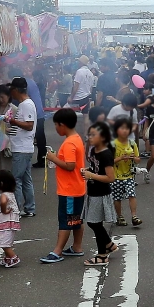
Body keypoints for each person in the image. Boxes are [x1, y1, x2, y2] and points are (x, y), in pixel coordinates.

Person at [40, 108, 87, 264]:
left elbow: (69, 165)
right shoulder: (77, 138)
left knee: (66, 220)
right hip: (77, 187)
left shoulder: (69, 143)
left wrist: (53, 158)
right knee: (76, 219)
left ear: (62, 124)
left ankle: (57, 251)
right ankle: (77, 246)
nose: (55, 128)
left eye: (56, 125)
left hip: (69, 189)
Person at [82, 122, 120, 267]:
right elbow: (95, 167)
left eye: (93, 135)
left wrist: (91, 175)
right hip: (93, 191)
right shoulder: (94, 151)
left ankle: (103, 255)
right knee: (94, 222)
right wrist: (88, 170)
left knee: (94, 222)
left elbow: (111, 178)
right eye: (89, 134)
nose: (90, 137)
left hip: (101, 193)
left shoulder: (106, 154)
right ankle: (109, 245)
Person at [9, 76, 37, 217]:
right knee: (26, 179)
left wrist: (13, 121)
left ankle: (17, 209)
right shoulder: (25, 104)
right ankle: (29, 208)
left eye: (11, 89)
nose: (10, 93)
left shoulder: (26, 104)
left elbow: (29, 125)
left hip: (22, 148)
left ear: (16, 90)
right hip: (23, 146)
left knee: (16, 179)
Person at [112, 118, 141, 227]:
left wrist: (134, 158)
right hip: (116, 176)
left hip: (129, 175)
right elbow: (109, 161)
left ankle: (134, 216)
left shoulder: (132, 143)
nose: (125, 131)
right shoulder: (113, 144)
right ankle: (120, 217)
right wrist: (120, 158)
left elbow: (138, 159)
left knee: (131, 194)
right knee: (117, 197)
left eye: (127, 128)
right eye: (122, 128)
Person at [0, 169, 22, 268]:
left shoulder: (4, 195)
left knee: (3, 242)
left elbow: (3, 202)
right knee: (6, 241)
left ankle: (13, 257)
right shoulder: (10, 193)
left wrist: (4, 210)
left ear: (1, 183)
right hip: (10, 222)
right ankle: (8, 257)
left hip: (6, 222)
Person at [71, 55, 96, 120]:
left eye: (79, 62)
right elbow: (91, 88)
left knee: (72, 116)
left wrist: (71, 97)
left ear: (81, 63)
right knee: (85, 116)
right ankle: (86, 130)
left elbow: (76, 87)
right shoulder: (91, 73)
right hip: (86, 98)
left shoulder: (79, 71)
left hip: (77, 98)